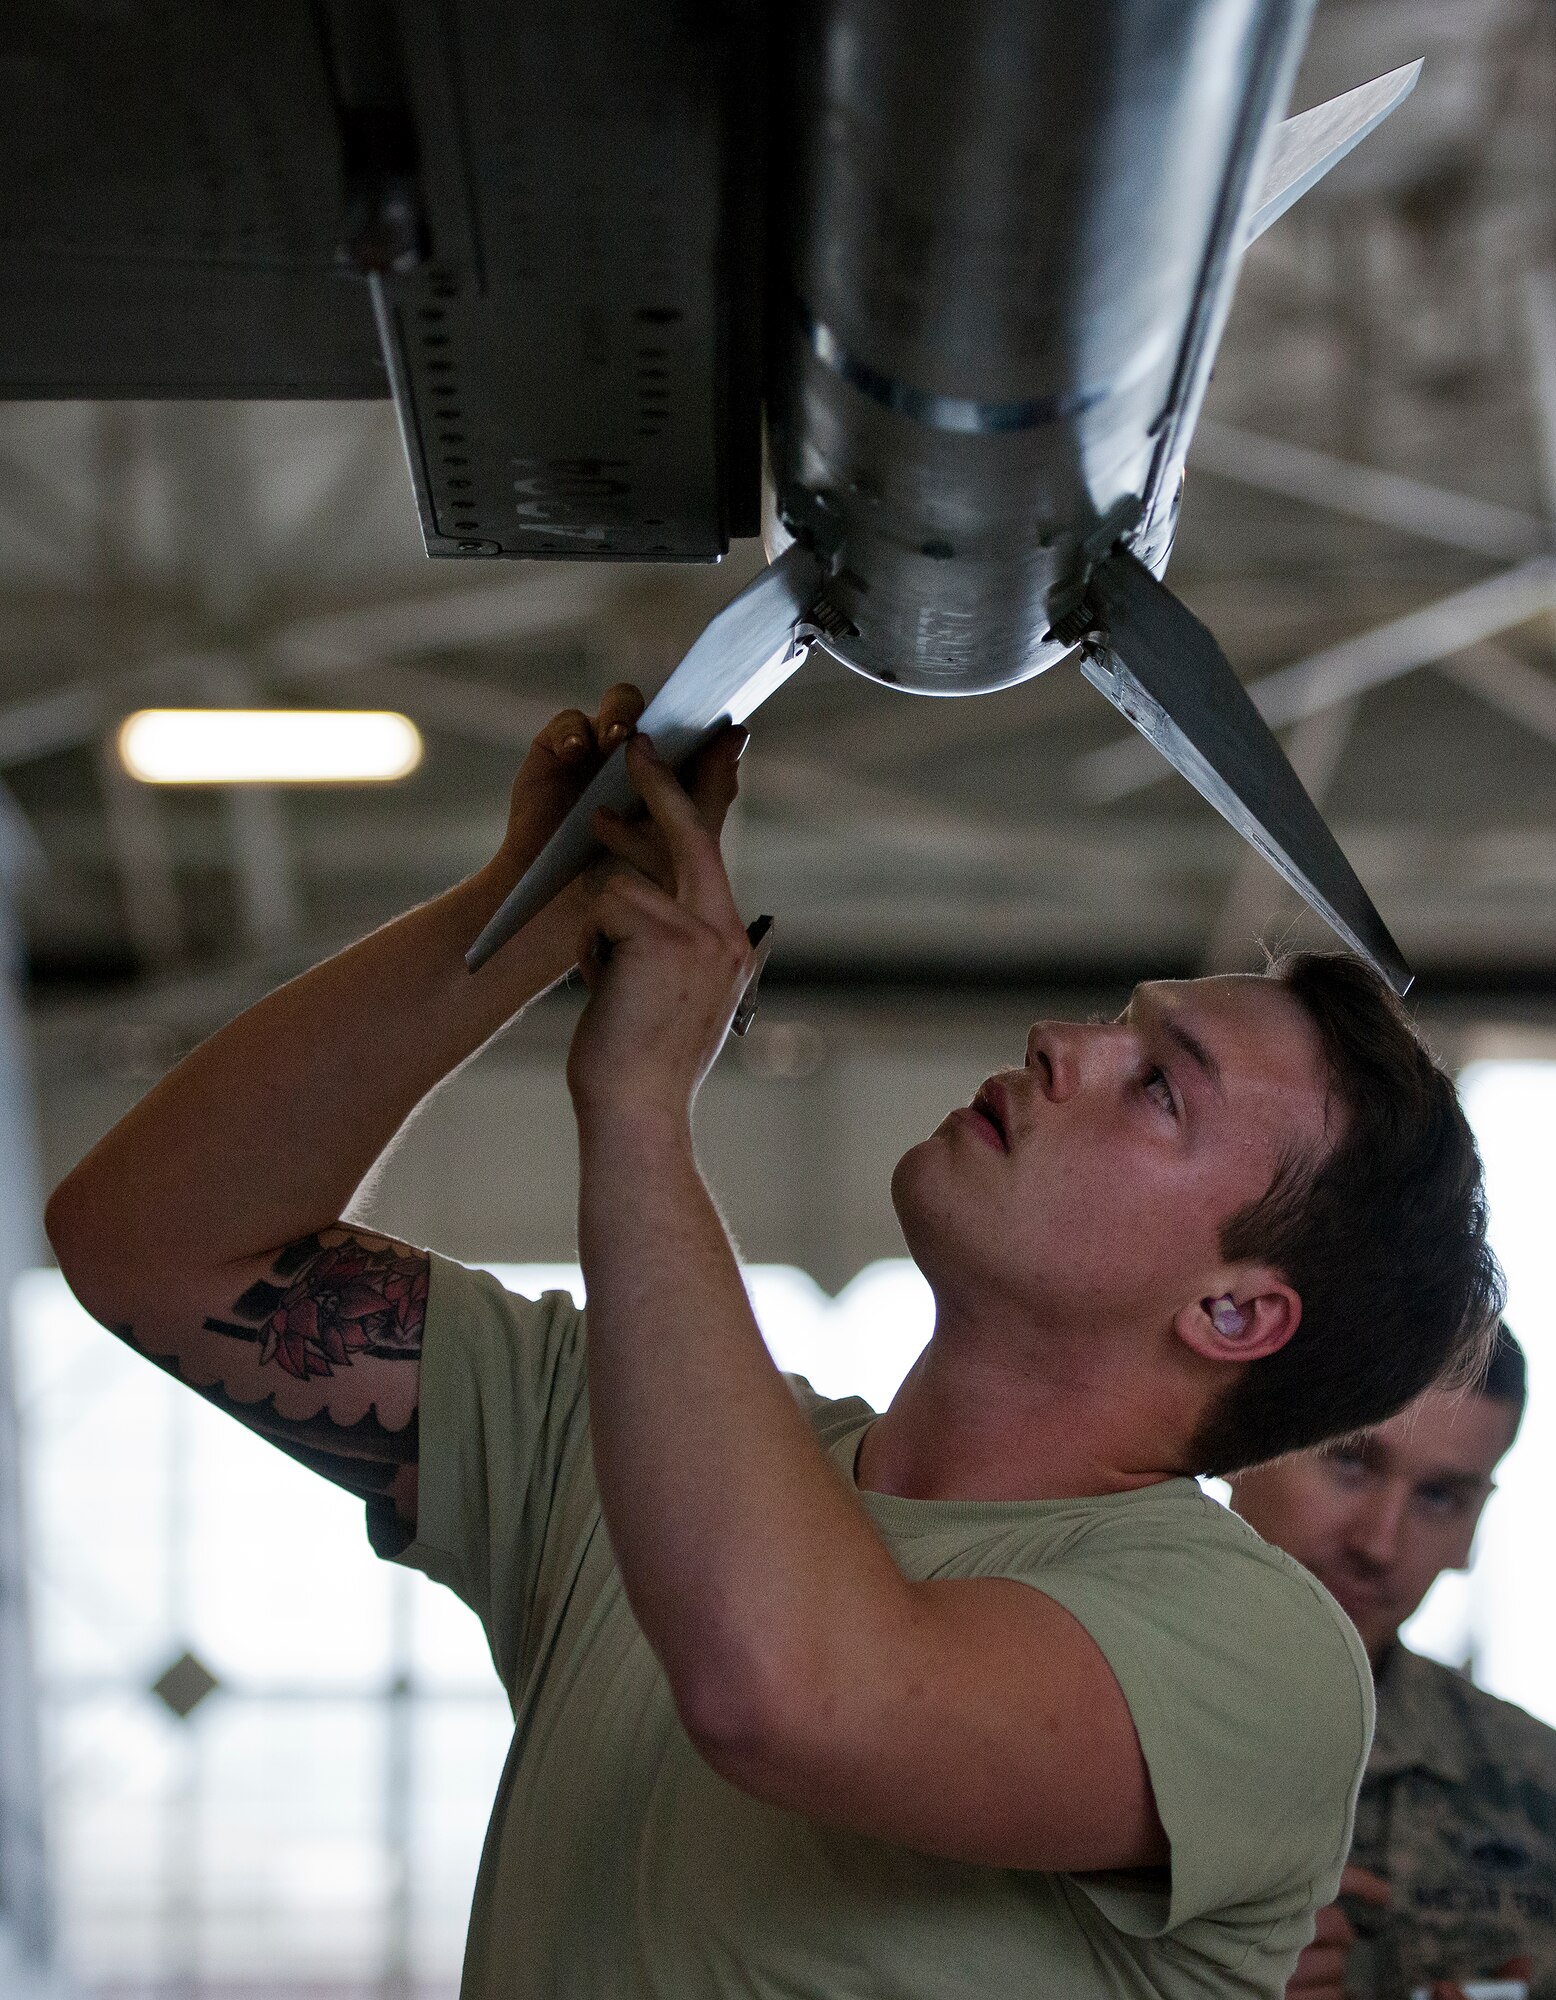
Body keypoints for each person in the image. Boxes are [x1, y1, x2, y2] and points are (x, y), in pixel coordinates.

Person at [46, 686, 1503, 1999]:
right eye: (1122, 1023)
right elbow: (156, 1243)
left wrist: (639, 1111)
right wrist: (531, 913)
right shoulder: (609, 1435)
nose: (1069, 1042)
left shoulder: (1258, 1656)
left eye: (1159, 1087)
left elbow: (787, 1693)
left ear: (1235, 1313)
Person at [1233, 1326, 1554, 2000]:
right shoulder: (1050, 1713)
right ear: (1242, 1441)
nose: (1379, 1543)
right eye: (1349, 1460)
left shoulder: (1536, 1786)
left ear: (1472, 1529)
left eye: (1440, 1497)